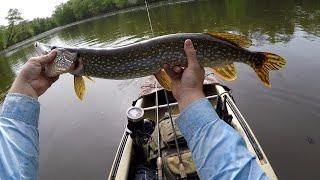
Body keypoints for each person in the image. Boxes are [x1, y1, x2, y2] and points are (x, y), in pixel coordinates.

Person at [0, 40, 267, 179]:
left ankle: (253, 60)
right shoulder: (78, 68)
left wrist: (24, 89)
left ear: (75, 57)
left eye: (56, 52)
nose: (50, 55)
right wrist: (190, 94)